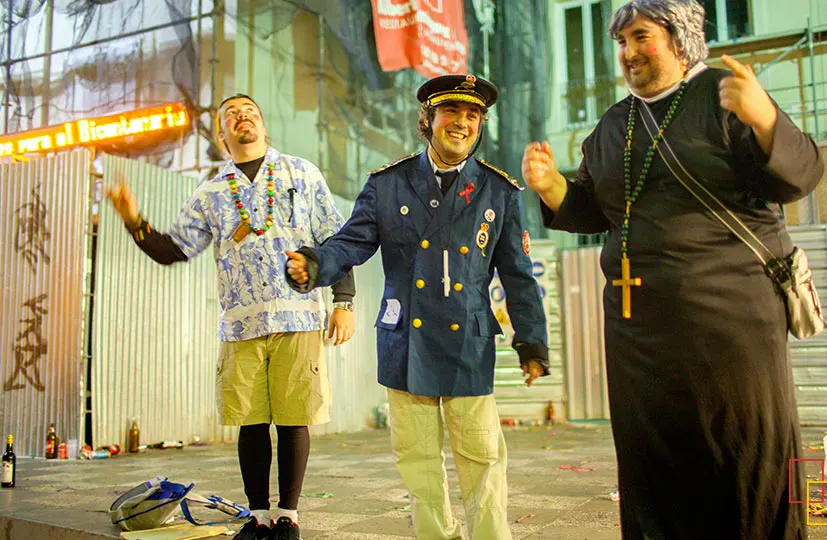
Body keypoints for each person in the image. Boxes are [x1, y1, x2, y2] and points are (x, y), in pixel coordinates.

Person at [522, 1, 823, 538]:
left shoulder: (724, 96)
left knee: (743, 458)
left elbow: (799, 178)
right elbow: (598, 207)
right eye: (621, 42)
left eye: (641, 36)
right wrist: (553, 188)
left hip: (731, 327)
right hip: (640, 337)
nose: (629, 53)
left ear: (679, 39)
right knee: (653, 463)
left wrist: (767, 120)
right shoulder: (615, 123)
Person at [285, 74, 549, 540]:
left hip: (468, 340)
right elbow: (350, 242)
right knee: (418, 459)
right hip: (406, 339)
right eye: (451, 112)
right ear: (428, 120)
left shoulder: (498, 192)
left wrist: (530, 342)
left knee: (482, 456)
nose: (462, 123)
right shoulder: (388, 185)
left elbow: (518, 277)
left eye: (473, 115)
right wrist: (314, 262)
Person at [106, 93, 356, 540]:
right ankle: (258, 517)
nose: (243, 117)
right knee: (251, 420)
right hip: (240, 322)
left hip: (298, 315)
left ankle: (288, 516)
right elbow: (174, 249)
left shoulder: (301, 173)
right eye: (231, 115)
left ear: (263, 125)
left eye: (251, 112)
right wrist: (134, 220)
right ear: (223, 136)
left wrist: (344, 302)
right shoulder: (211, 192)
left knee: (293, 417)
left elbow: (335, 239)